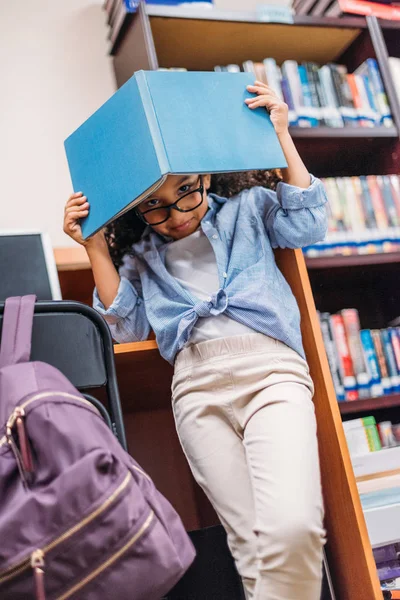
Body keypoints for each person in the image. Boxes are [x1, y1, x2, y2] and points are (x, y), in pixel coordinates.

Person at [63, 80, 327, 600]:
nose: (177, 213)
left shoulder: (250, 208)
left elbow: (308, 223)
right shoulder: (140, 259)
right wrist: (94, 244)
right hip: (196, 391)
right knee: (250, 548)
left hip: (271, 373)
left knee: (292, 528)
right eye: (155, 207)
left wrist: (280, 135)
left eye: (186, 189)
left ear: (205, 174)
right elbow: (125, 327)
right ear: (137, 212)